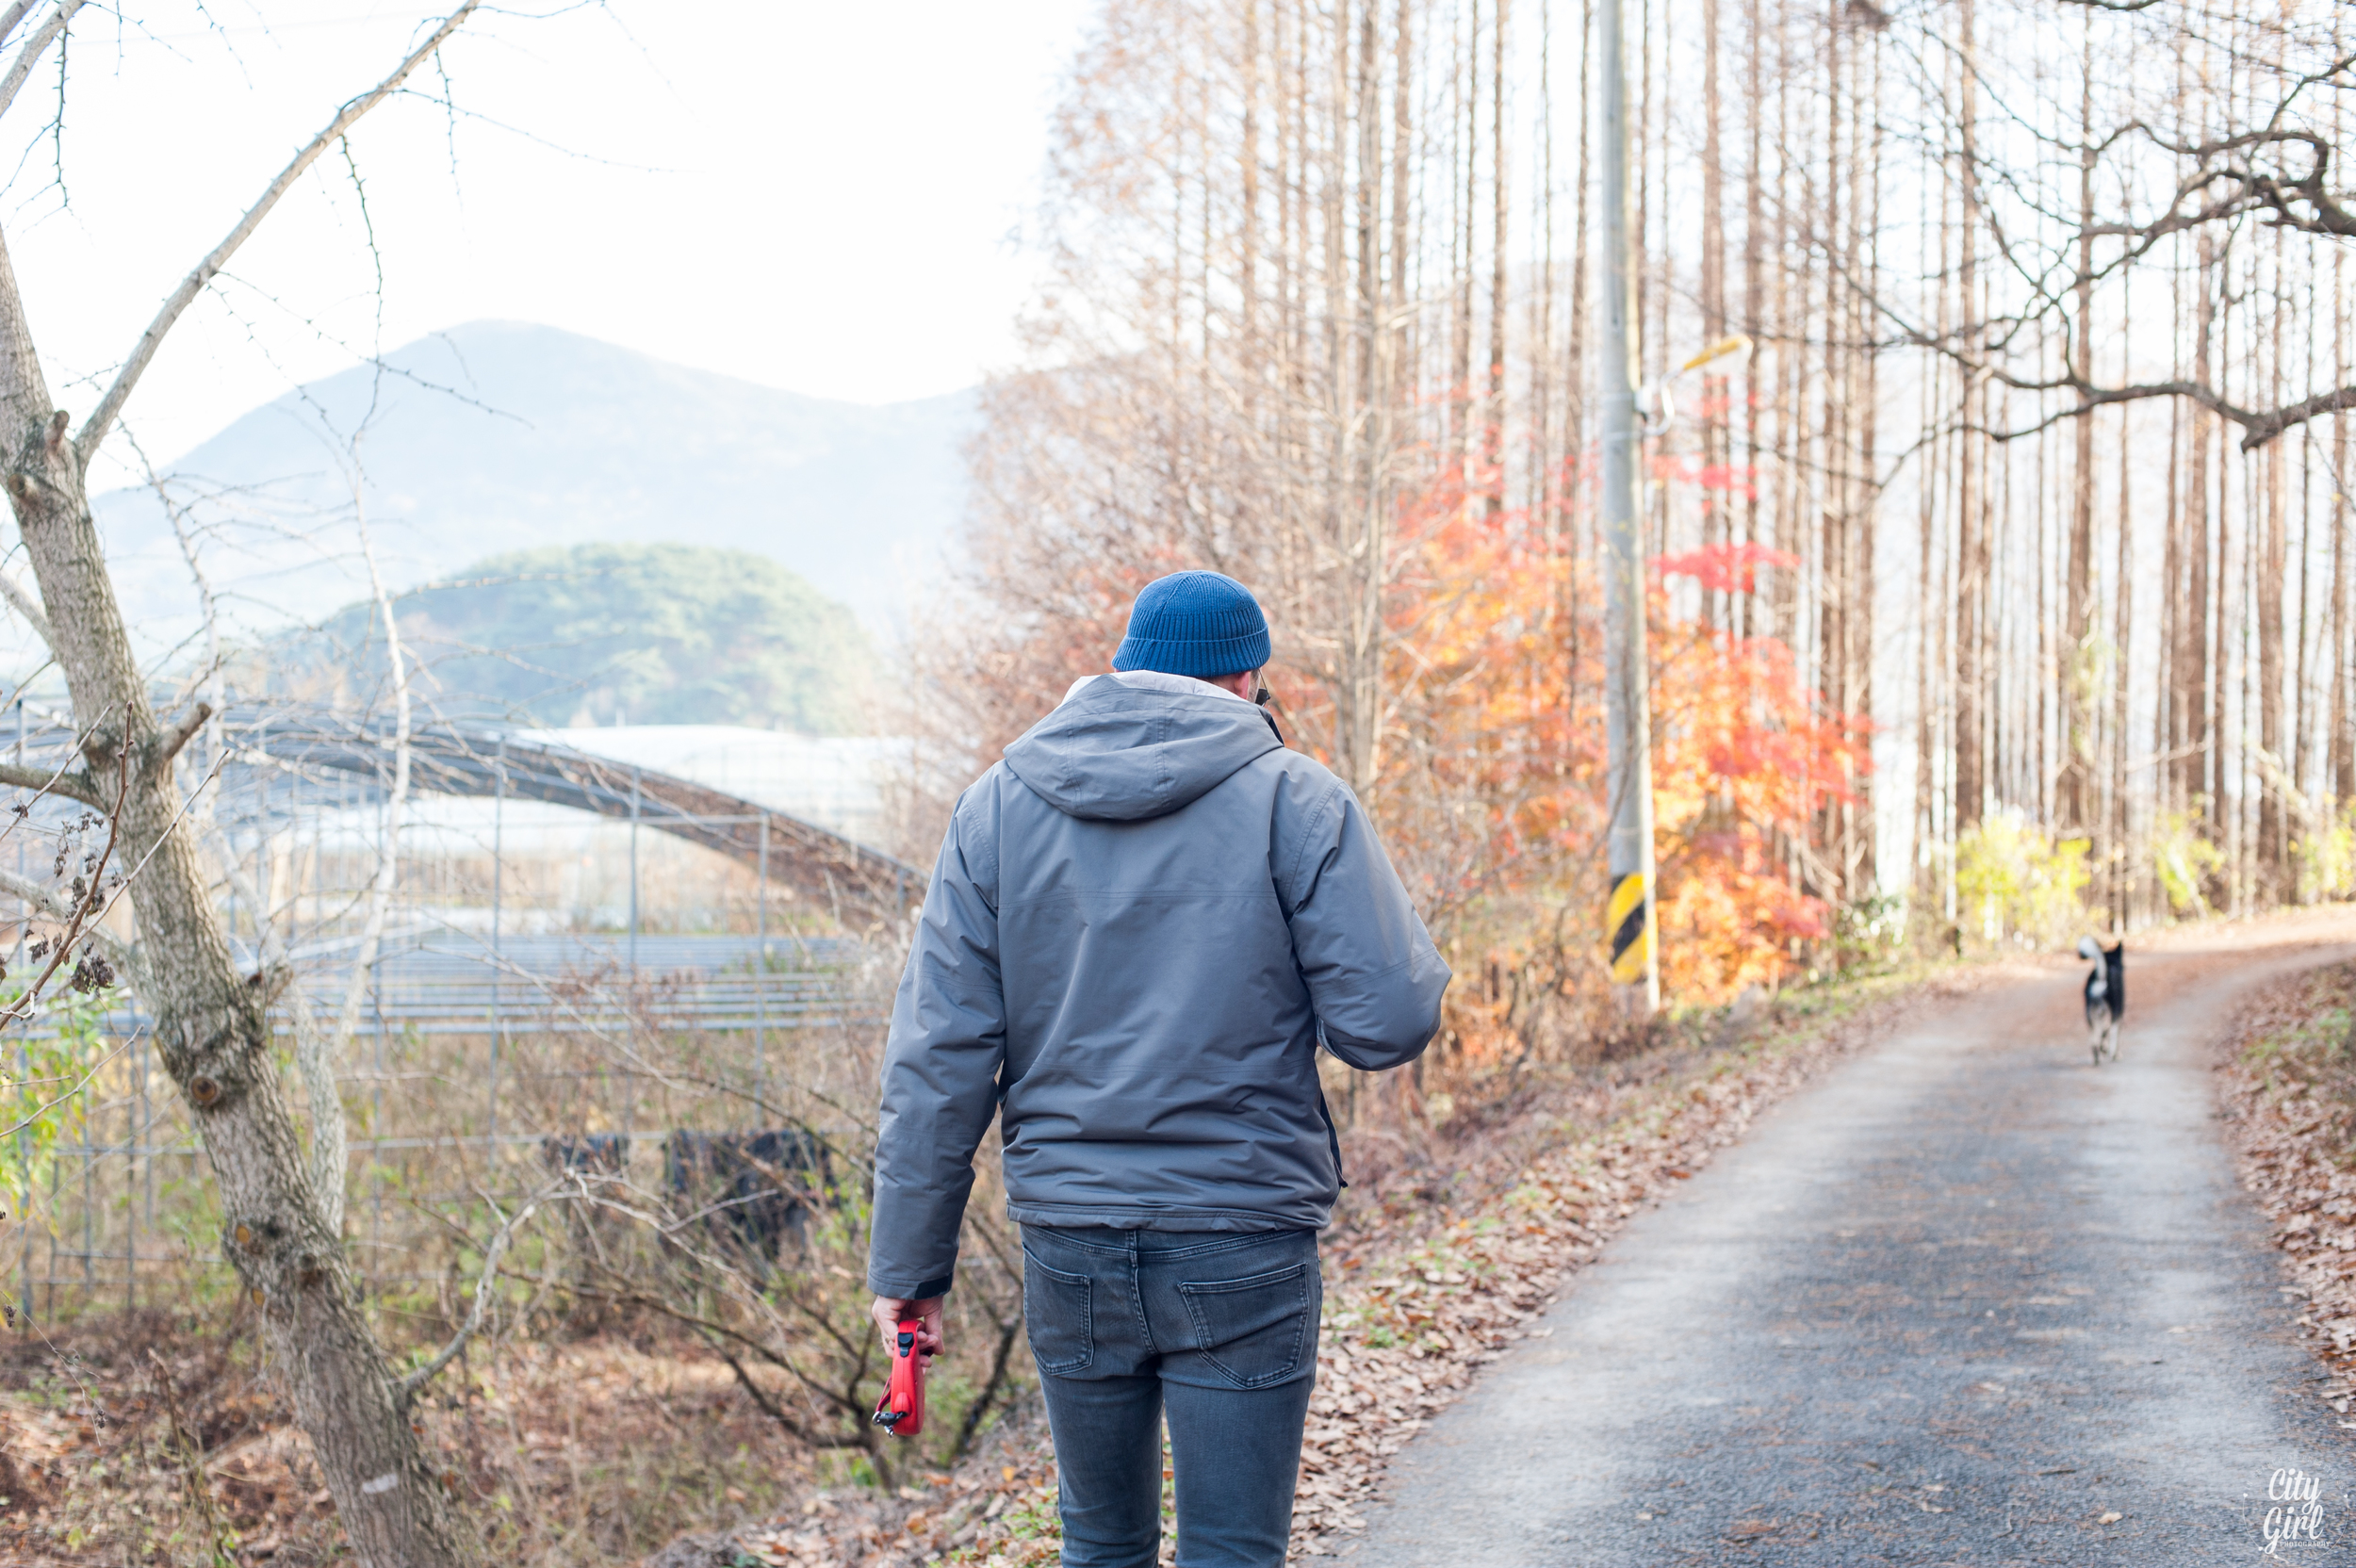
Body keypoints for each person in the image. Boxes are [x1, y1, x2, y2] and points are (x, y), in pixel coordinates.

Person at [867, 569, 1450, 1568]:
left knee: (1100, 1546)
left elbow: (937, 1055)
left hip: (1072, 1239)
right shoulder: (1296, 800)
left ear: (1124, 667)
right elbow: (1386, 1021)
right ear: (1249, 678)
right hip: (1242, 1231)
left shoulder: (995, 807)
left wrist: (907, 1266)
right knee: (1230, 1549)